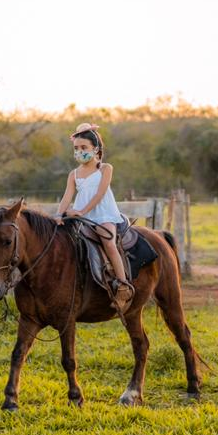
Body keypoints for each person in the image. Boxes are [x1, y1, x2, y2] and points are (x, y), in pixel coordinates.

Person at [57, 122, 135, 312]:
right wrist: (59, 214)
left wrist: (82, 211)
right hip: (80, 216)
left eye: (84, 148)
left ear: (96, 149)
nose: (80, 151)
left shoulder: (105, 169)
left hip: (102, 214)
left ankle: (123, 286)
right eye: (76, 148)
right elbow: (67, 196)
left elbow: (99, 194)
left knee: (108, 241)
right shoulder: (74, 174)